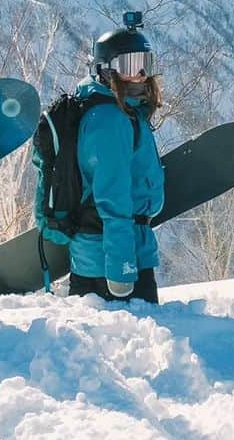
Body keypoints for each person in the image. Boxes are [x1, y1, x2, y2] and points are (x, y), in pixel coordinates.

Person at [60, 15, 165, 302]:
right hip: (108, 261)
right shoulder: (110, 120)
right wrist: (121, 268)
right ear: (107, 70)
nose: (142, 74)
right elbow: (112, 197)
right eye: (130, 65)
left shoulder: (124, 112)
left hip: (128, 249)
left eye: (146, 63)